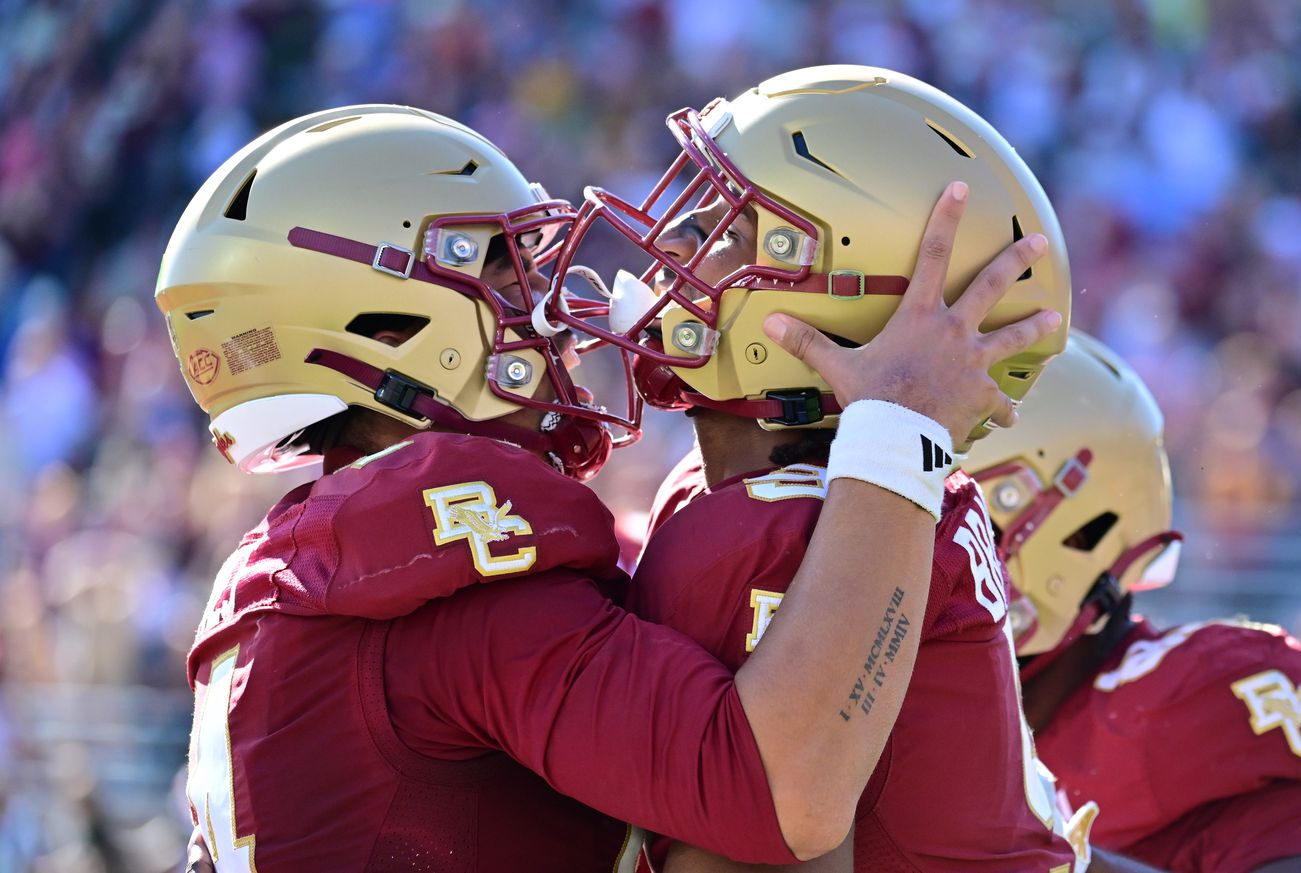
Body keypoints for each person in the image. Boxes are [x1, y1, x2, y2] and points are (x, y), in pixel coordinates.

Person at [161, 104, 1057, 872]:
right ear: (385, 321)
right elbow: (778, 792)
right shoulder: (436, 569)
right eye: (510, 272)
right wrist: (898, 437)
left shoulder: (307, 556)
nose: (557, 309)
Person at [545, 65, 1160, 872]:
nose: (678, 241)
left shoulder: (781, 521)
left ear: (843, 301)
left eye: (733, 227)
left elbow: (775, 827)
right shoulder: (853, 490)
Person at [963, 329, 1301, 873]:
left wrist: (1056, 860)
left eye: (953, 518)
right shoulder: (936, 715)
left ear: (1082, 531)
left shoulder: (1194, 696)